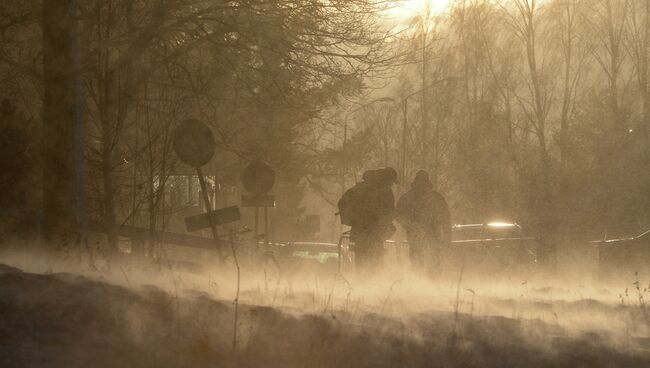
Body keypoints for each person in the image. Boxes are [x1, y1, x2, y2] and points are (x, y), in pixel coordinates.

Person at [338, 167, 398, 275]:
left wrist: (352, 219)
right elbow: (390, 212)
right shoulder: (385, 191)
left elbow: (342, 203)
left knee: (360, 263)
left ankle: (361, 286)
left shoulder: (359, 188)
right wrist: (386, 224)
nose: (391, 184)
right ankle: (372, 286)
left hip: (359, 233)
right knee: (375, 266)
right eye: (391, 182)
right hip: (375, 234)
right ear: (386, 179)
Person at [396, 170, 451, 277]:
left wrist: (409, 225)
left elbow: (399, 215)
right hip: (425, 233)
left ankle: (423, 281)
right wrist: (410, 225)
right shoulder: (436, 197)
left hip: (426, 233)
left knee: (425, 259)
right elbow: (445, 217)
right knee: (425, 259)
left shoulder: (407, 197)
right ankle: (426, 280)